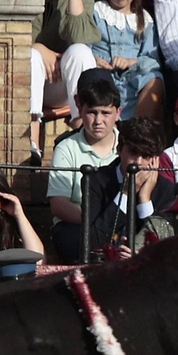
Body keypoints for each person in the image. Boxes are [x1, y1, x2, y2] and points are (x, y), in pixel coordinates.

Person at [67, 114, 178, 261]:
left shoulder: (165, 189)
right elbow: (92, 241)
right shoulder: (97, 181)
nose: (138, 162)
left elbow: (162, 249)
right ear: (120, 150)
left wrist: (144, 199)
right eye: (133, 153)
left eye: (146, 155)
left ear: (156, 158)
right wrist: (125, 193)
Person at [28, 0, 102, 150]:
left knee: (80, 52)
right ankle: (31, 139)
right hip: (26, 80)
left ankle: (82, 129)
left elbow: (79, 39)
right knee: (31, 55)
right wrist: (38, 47)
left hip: (62, 81)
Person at [48, 69, 124, 253]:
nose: (98, 120)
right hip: (77, 227)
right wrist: (97, 223)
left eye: (106, 113)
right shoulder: (66, 148)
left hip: (119, 225)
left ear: (118, 113)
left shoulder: (128, 147)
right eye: (92, 112)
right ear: (80, 110)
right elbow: (58, 204)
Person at [90, 0, 162, 120]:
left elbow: (153, 59)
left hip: (132, 78)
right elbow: (83, 46)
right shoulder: (97, 12)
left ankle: (138, 131)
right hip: (102, 75)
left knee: (155, 79)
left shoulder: (144, 20)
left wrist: (131, 62)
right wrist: (94, 59)